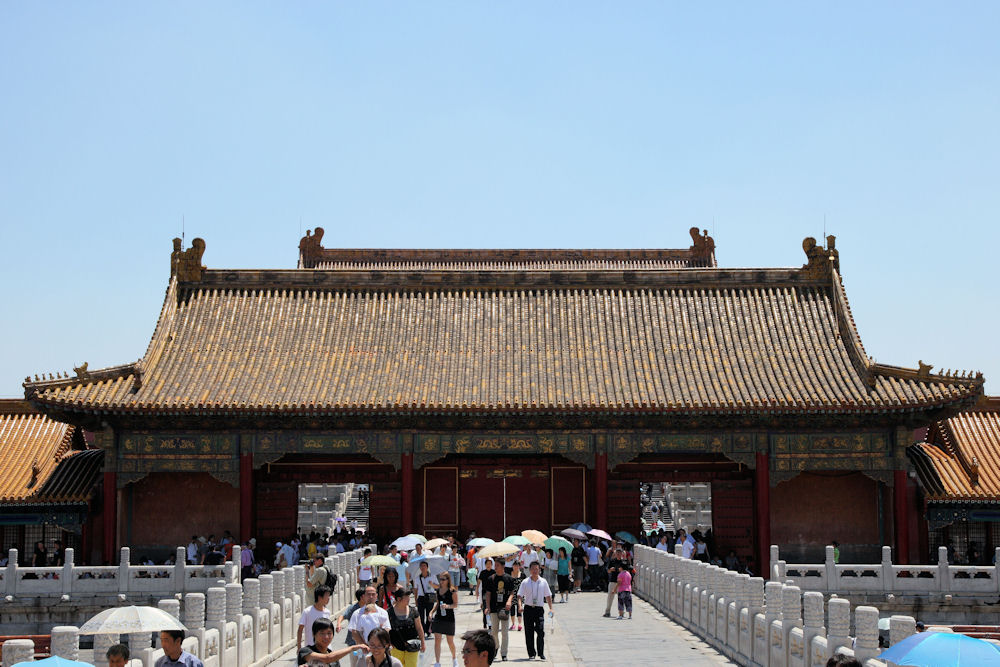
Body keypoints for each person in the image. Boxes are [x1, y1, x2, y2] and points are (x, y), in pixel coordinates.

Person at [517, 561, 553, 661]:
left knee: (540, 631)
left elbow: (548, 596)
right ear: (530, 570)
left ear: (539, 570)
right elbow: (519, 595)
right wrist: (520, 606)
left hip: (539, 609)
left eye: (537, 569)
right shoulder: (525, 582)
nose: (535, 571)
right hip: (528, 609)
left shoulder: (543, 582)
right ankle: (531, 653)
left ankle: (541, 653)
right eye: (533, 569)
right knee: (529, 632)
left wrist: (551, 608)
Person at [299, 618, 367, 667]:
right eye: (322, 633)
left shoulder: (334, 658)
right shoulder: (305, 651)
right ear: (314, 634)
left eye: (329, 633)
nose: (326, 637)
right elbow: (327, 658)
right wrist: (352, 648)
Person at [483, 559, 514, 661]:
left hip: (505, 608)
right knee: (494, 632)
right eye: (494, 565)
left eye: (497, 565)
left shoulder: (509, 578)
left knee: (505, 632)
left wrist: (509, 601)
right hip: (493, 608)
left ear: (503, 566)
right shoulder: (490, 578)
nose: (495, 567)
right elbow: (488, 594)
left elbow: (512, 592)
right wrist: (487, 606)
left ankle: (504, 653)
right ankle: (496, 647)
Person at [387, 588, 425, 667]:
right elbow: (386, 629)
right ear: (398, 599)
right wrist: (388, 643)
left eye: (409, 596)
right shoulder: (389, 612)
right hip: (396, 646)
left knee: (412, 665)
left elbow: (419, 627)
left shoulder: (413, 611)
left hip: (412, 646)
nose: (409, 599)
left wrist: (423, 642)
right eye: (406, 597)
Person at [430, 572, 458, 667]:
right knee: (437, 640)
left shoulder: (452, 591)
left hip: (449, 618)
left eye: (443, 579)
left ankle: (454, 658)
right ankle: (437, 662)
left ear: (447, 580)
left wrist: (447, 606)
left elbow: (455, 604)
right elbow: (437, 604)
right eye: (440, 579)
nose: (441, 581)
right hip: (439, 617)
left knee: (450, 641)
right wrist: (431, 612)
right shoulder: (438, 590)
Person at [336, 588, 367, 667]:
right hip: (353, 642)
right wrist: (338, 624)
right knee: (355, 661)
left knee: (364, 662)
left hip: (366, 641)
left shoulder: (370, 608)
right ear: (362, 597)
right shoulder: (353, 608)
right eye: (367, 594)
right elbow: (342, 616)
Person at [299, 585, 333, 649]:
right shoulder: (307, 612)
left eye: (329, 596)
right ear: (320, 597)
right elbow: (300, 629)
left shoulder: (327, 612)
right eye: (327, 596)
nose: (328, 598)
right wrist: (299, 647)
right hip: (311, 648)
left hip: (326, 648)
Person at [413, 560, 438, 638]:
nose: (423, 568)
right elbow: (415, 589)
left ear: (427, 567)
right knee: (420, 615)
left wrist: (432, 584)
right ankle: (422, 630)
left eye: (424, 566)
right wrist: (415, 599)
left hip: (430, 596)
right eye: (421, 566)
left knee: (429, 614)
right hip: (421, 597)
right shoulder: (417, 578)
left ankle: (428, 630)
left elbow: (437, 586)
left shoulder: (432, 576)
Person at [602, 547, 627, 617]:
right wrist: (612, 570)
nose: (618, 554)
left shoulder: (624, 562)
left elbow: (624, 570)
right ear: (615, 553)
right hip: (613, 580)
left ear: (622, 554)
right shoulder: (612, 561)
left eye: (620, 553)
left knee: (621, 597)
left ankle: (621, 612)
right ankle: (607, 612)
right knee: (610, 597)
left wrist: (615, 569)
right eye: (617, 553)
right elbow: (608, 570)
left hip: (621, 582)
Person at [508, 562, 525, 631]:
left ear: (519, 567)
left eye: (517, 566)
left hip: (520, 594)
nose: (516, 567)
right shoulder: (509, 574)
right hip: (511, 594)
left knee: (519, 608)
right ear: (512, 566)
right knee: (512, 609)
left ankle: (520, 624)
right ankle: (513, 624)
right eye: (514, 565)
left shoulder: (522, 575)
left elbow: (525, 585)